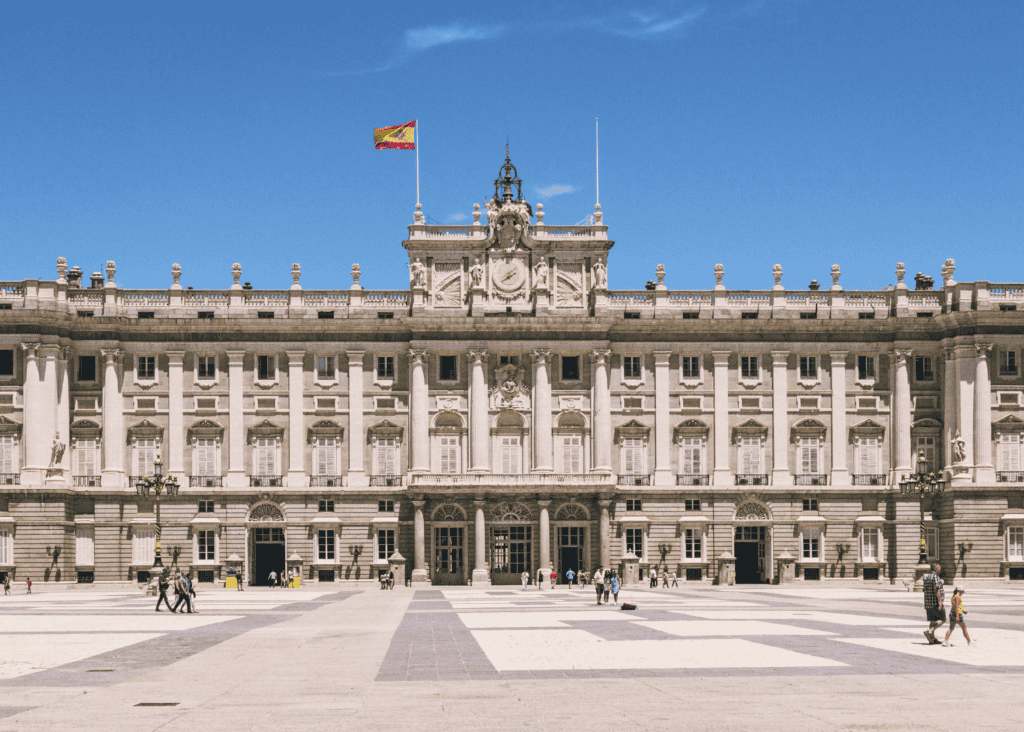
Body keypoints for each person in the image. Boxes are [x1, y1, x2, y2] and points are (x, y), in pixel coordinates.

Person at [922, 563, 945, 644]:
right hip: (935, 602)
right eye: (940, 568)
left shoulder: (926, 578)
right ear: (937, 569)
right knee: (943, 619)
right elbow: (937, 590)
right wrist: (940, 602)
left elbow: (924, 589)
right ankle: (930, 631)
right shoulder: (936, 577)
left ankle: (932, 639)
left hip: (928, 602)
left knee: (932, 621)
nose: (940, 570)